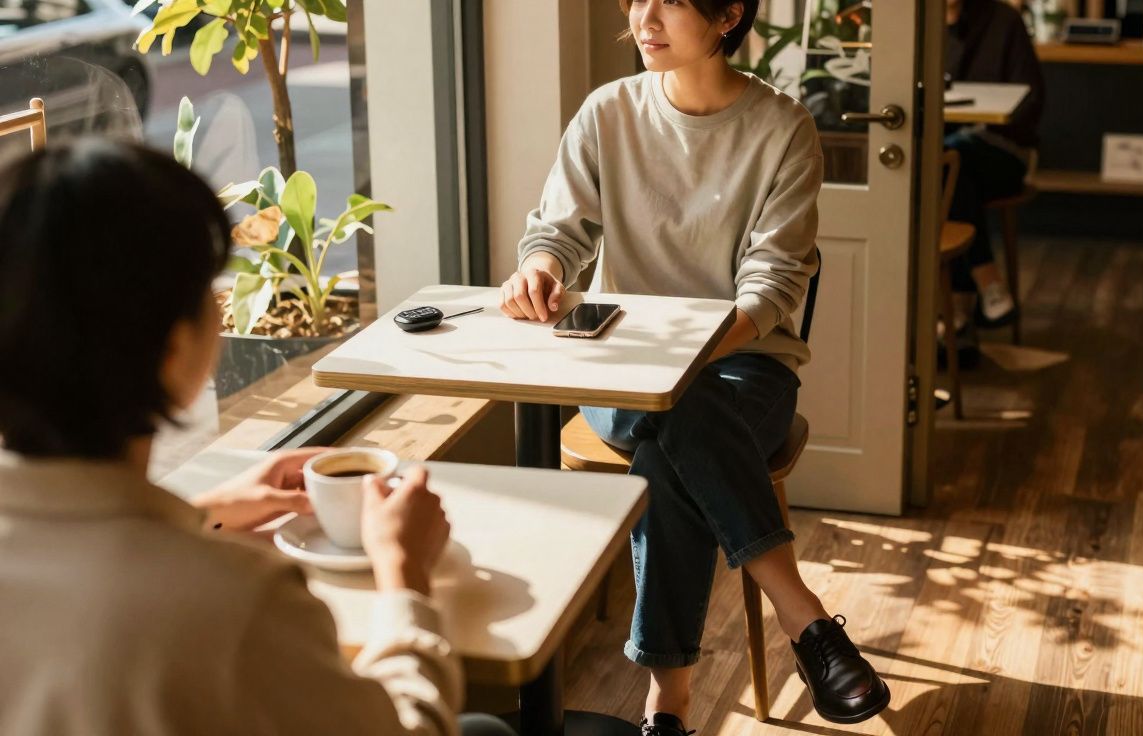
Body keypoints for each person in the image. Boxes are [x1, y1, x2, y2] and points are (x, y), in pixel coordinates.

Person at [0, 140, 514, 736]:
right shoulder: (237, 606)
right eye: (208, 294)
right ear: (173, 350)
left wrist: (201, 513)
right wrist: (406, 577)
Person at [497, 0, 889, 732]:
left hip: (746, 373)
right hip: (621, 374)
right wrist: (541, 268)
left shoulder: (782, 130)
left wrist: (678, 360)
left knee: (669, 438)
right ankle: (805, 619)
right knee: (669, 413)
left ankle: (665, 707)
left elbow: (772, 286)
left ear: (727, 13)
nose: (642, 18)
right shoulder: (606, 113)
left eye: (667, 1)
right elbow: (558, 230)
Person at [945, 0, 1045, 333]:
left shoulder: (1004, 20)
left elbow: (1031, 100)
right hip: (949, 157)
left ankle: (960, 311)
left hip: (1004, 150)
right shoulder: (918, 25)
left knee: (949, 167)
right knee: (951, 172)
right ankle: (981, 294)